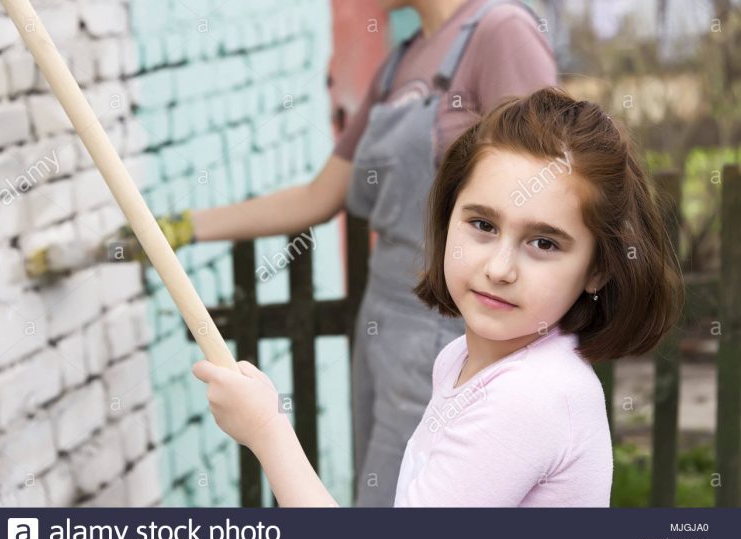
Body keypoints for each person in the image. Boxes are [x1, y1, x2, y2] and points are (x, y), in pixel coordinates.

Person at [27, 0, 556, 506]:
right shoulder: (400, 63)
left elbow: (546, 192)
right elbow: (316, 198)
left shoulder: (501, 31)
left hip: (457, 329)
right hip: (385, 325)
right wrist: (180, 229)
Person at [191, 87, 685, 507]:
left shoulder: (529, 398)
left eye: (544, 243)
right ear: (448, 218)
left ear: (597, 270)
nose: (499, 268)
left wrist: (266, 430)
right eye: (483, 225)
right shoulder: (462, 360)